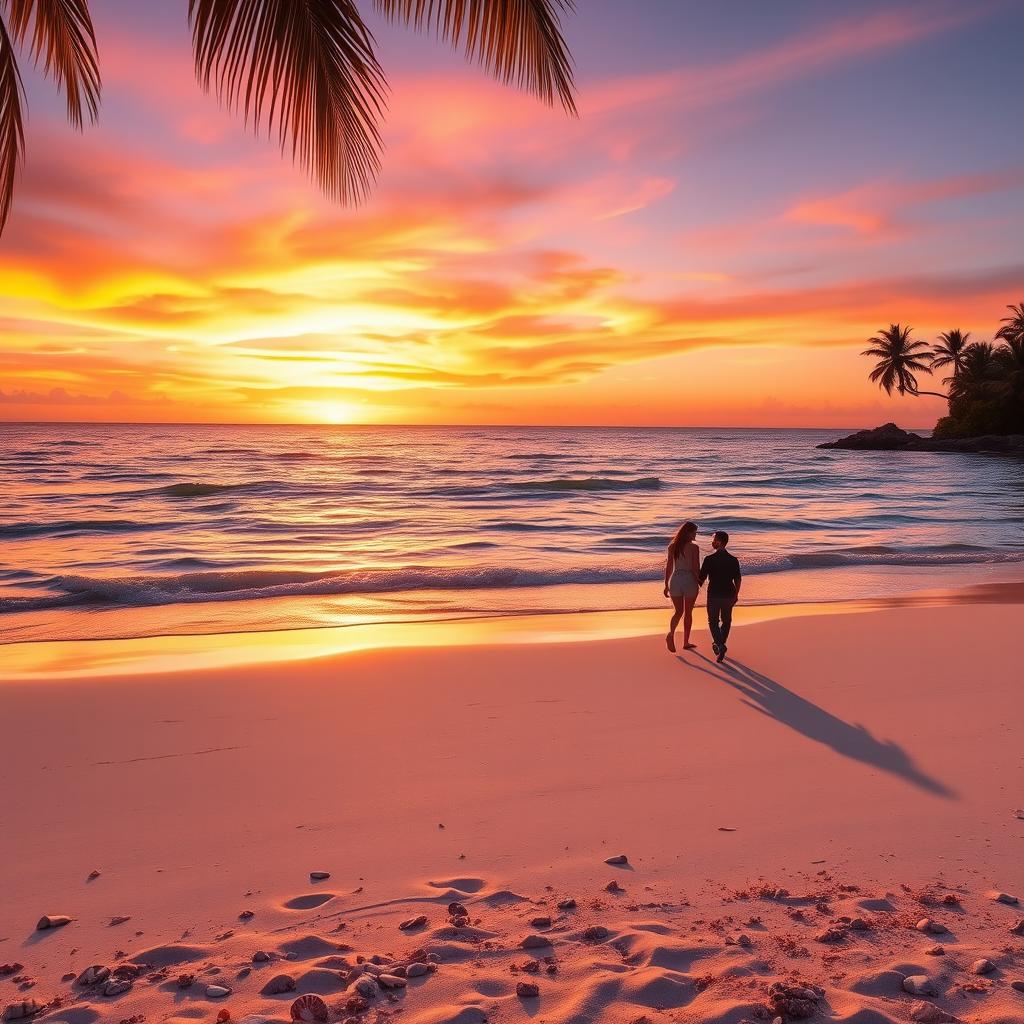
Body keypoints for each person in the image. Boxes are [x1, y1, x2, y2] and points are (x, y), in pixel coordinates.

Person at [699, 530, 742, 663]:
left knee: (713, 621)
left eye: (713, 540)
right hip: (729, 593)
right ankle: (720, 644)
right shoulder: (733, 560)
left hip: (714, 594)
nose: (712, 542)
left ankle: (720, 644)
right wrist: (736, 594)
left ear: (718, 542)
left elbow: (701, 580)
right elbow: (738, 580)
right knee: (726, 621)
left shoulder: (709, 559)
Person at [663, 521, 700, 653]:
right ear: (688, 532)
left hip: (676, 580)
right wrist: (699, 582)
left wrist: (666, 585)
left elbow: (668, 567)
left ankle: (671, 634)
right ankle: (686, 642)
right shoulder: (694, 548)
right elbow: (696, 568)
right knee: (688, 613)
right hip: (689, 580)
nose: (695, 535)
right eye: (694, 532)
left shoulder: (672, 546)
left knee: (678, 612)